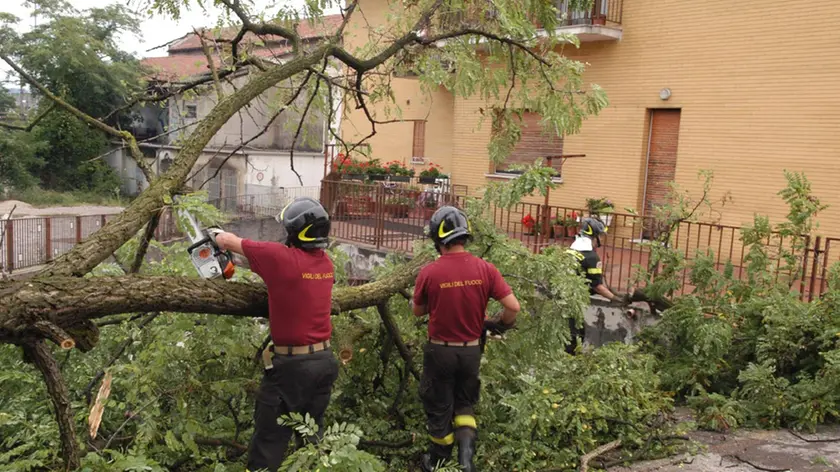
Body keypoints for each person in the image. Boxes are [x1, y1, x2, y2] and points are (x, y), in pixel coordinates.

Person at [211, 197, 338, 472]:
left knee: (269, 442)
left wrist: (216, 235)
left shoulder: (280, 258)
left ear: (294, 232)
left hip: (291, 370)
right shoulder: (326, 265)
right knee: (310, 439)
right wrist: (239, 263)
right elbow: (278, 270)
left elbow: (227, 240)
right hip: (324, 363)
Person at [413, 206, 521, 472]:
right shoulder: (485, 269)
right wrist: (501, 325)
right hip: (472, 351)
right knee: (464, 405)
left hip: (440, 352)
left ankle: (437, 462)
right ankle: (466, 463)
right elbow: (514, 307)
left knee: (439, 406)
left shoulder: (430, 272)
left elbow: (417, 311)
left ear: (438, 240)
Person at [565, 217, 631, 354]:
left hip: (561, 298)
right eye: (600, 235)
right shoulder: (591, 257)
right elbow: (598, 287)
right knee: (575, 335)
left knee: (568, 332)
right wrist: (616, 299)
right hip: (573, 302)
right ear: (594, 236)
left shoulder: (569, 251)